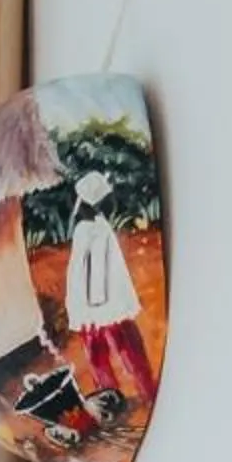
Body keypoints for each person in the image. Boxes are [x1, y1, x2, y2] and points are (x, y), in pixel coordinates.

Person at [65, 170, 156, 404]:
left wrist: (89, 310)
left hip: (96, 309)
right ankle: (142, 393)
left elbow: (83, 273)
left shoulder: (90, 229)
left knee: (101, 358)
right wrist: (102, 308)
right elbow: (94, 274)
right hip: (108, 307)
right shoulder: (95, 229)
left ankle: (113, 400)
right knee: (127, 351)